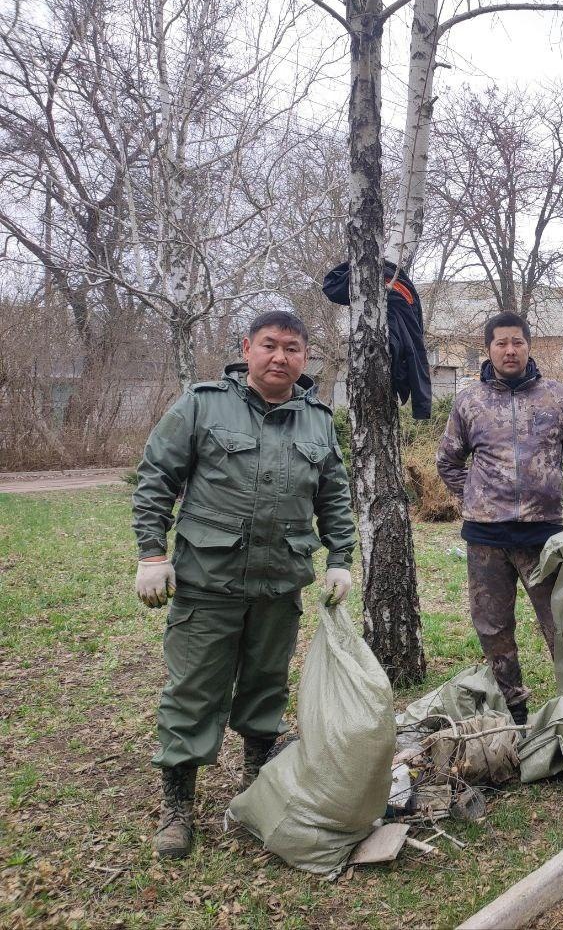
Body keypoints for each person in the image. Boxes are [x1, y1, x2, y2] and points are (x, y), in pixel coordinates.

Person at [132, 311, 355, 860]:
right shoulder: (203, 404)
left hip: (280, 580)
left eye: (293, 349)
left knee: (266, 683)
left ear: (306, 358)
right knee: (194, 689)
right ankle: (178, 804)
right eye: (270, 346)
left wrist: (341, 557)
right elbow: (156, 476)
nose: (280, 358)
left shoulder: (318, 420)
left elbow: (333, 493)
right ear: (247, 348)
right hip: (210, 579)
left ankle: (257, 782)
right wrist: (152, 553)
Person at [436, 311, 563, 755]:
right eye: (500, 343)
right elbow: (448, 460)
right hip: (487, 540)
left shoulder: (557, 397)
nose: (510, 350)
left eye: (517, 342)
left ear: (529, 345)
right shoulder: (469, 401)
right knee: (493, 627)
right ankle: (513, 712)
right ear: (488, 349)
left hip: (544, 537)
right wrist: (476, 497)